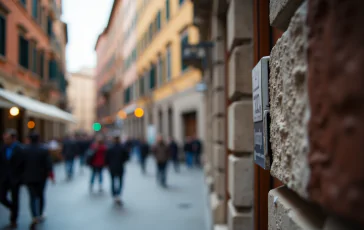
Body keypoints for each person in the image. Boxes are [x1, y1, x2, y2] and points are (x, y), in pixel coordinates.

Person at [23, 132, 54, 228]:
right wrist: (51, 175)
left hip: (29, 177)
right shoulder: (43, 150)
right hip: (41, 177)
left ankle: (34, 216)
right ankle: (40, 214)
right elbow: (48, 164)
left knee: (32, 197)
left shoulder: (25, 150)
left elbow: (21, 164)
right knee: (40, 195)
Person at [0, 129, 25, 229]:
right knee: (2, 197)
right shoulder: (3, 148)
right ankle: (13, 208)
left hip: (15, 179)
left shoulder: (20, 149)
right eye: (4, 139)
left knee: (15, 199)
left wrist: (21, 178)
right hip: (4, 179)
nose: (5, 141)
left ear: (13, 139)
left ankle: (13, 219)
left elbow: (23, 165)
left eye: (7, 139)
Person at [105, 135, 129, 205]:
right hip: (120, 167)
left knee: (112, 181)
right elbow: (127, 157)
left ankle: (114, 194)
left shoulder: (110, 148)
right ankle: (118, 194)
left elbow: (106, 159)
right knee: (120, 181)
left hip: (112, 167)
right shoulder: (122, 148)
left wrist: (108, 165)